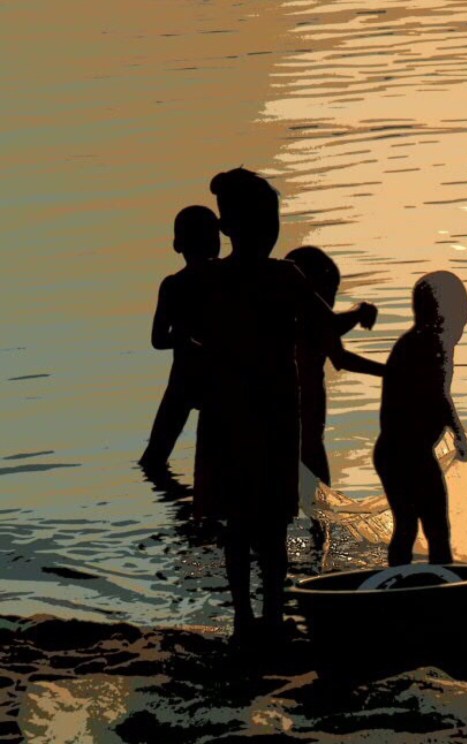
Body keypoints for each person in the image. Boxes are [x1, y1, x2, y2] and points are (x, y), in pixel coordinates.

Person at [193, 168, 385, 645]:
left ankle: (243, 621)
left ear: (225, 229)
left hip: (227, 411)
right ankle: (274, 617)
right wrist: (358, 318)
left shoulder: (210, 279)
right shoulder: (284, 276)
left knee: (239, 521)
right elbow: (323, 329)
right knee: (273, 521)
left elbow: (194, 334)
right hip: (274, 414)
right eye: (270, 220)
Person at [375, 271, 467, 567]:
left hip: (396, 453)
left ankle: (401, 584)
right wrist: (459, 434)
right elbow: (438, 394)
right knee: (433, 529)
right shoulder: (431, 344)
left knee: (408, 525)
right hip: (407, 454)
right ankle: (439, 590)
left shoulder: (417, 342)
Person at [285, 246, 379, 486]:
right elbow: (331, 333)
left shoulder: (302, 320)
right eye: (329, 291)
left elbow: (341, 358)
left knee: (312, 469)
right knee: (311, 470)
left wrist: (391, 373)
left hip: (308, 421)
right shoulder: (299, 320)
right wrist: (358, 312)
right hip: (298, 416)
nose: (331, 300)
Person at [139, 206, 220, 471]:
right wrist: (184, 339)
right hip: (212, 379)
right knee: (212, 461)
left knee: (154, 460)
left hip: (187, 379)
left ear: (177, 244)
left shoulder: (174, 285)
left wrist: (181, 339)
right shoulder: (226, 278)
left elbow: (158, 339)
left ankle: (182, 506)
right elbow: (158, 339)